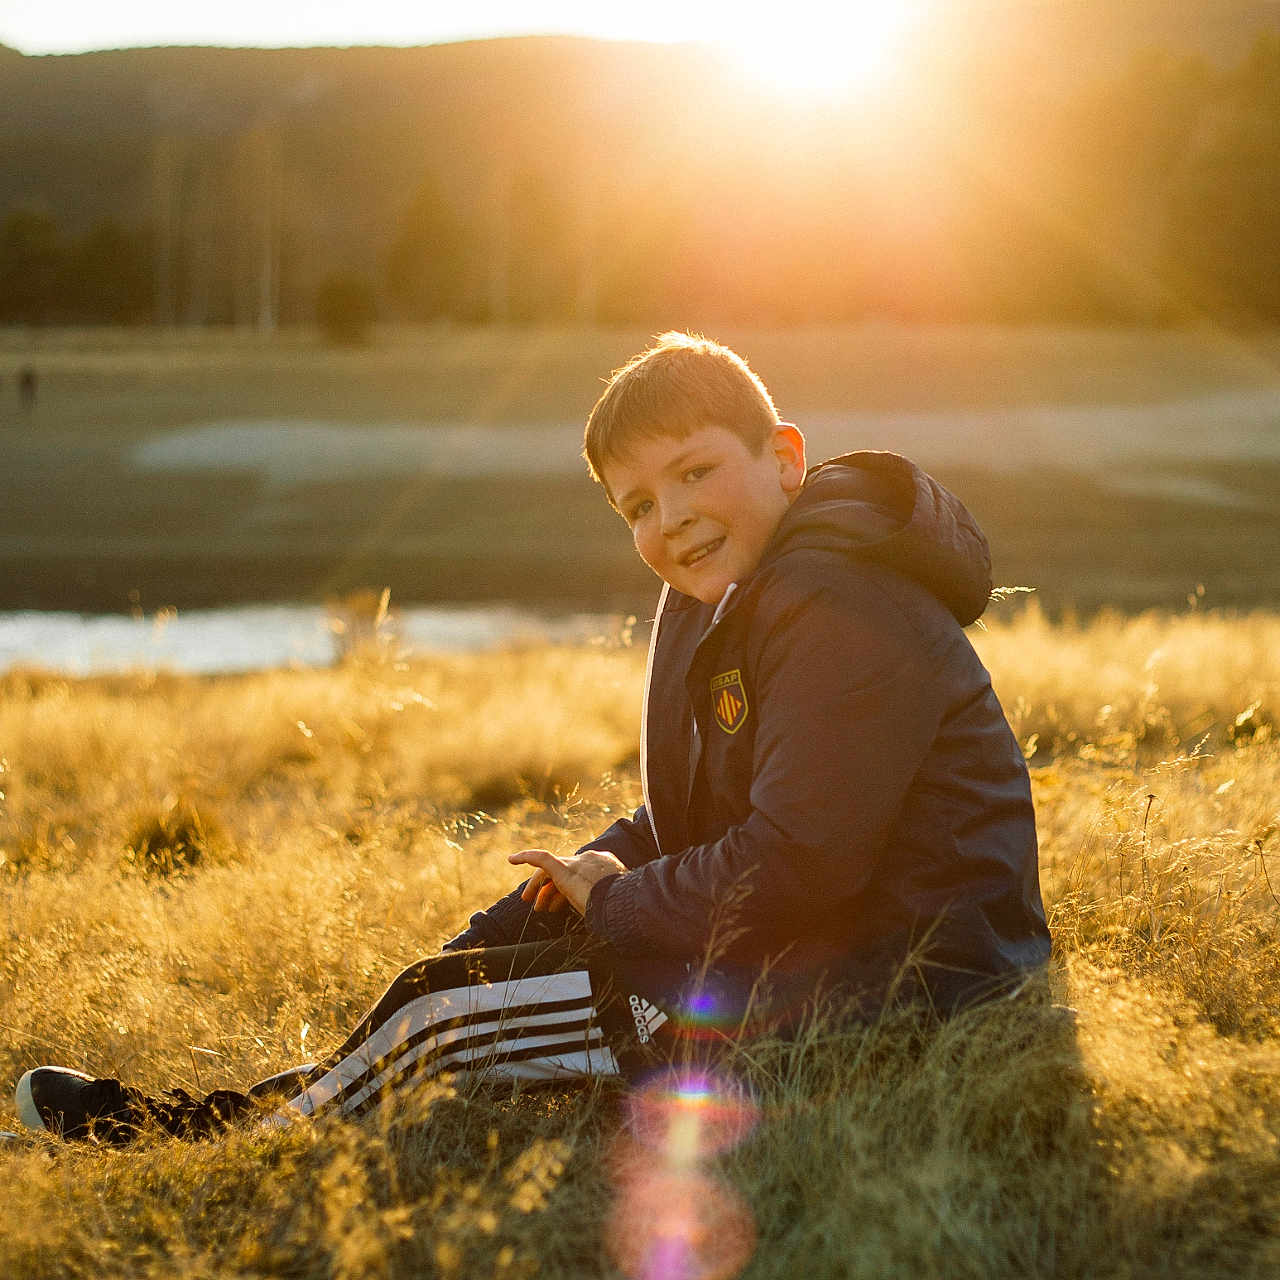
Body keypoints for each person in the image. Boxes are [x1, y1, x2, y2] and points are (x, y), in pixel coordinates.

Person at [15, 332, 1050, 1145]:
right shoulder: (726, 593)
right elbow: (705, 809)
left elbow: (798, 863)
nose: (672, 517)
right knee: (511, 932)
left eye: (694, 472)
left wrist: (622, 903)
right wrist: (584, 875)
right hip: (805, 955)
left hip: (900, 1000)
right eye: (639, 503)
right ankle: (301, 1086)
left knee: (442, 1017)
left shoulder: (838, 602)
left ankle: (196, 1133)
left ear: (783, 458)